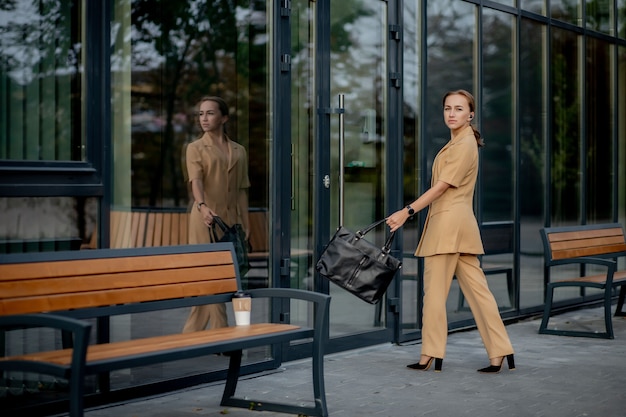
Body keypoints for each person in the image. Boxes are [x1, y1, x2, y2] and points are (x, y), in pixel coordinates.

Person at [386, 89, 515, 373]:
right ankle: (500, 351)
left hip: (447, 229)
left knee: (433, 295)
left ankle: (430, 354)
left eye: (458, 109)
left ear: (470, 114)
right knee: (480, 295)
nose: (451, 114)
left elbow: (442, 186)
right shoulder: (460, 141)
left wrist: (407, 211)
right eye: (448, 108)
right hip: (460, 228)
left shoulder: (463, 144)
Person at [182, 96, 250, 333]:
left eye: (210, 113)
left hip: (230, 223)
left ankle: (189, 336)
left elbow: (242, 190)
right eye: (201, 114)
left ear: (224, 118)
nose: (204, 118)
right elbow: (196, 181)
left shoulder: (239, 151)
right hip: (205, 220)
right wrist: (201, 205)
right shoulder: (195, 148)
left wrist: (246, 222)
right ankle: (223, 332)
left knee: (217, 279)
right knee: (211, 276)